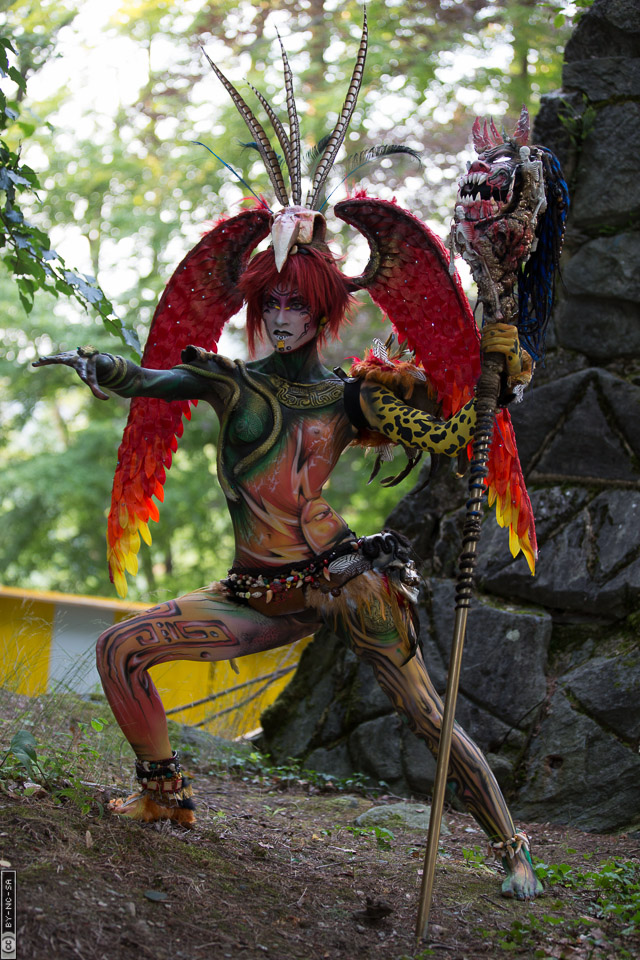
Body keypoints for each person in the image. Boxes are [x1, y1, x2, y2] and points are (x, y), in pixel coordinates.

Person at [33, 18, 569, 901]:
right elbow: (156, 377)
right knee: (123, 649)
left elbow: (455, 420)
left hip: (346, 580)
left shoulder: (354, 399)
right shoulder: (229, 383)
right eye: (271, 302)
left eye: (297, 304)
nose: (282, 316)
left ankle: (511, 846)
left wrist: (496, 377)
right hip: (257, 593)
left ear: (323, 311)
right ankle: (164, 796)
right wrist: (106, 370)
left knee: (426, 714)